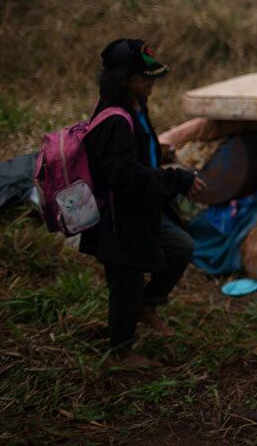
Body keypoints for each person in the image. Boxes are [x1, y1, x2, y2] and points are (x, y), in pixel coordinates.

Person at [80, 38, 206, 365]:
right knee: (126, 280)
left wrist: (161, 154)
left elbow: (136, 157)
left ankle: (145, 304)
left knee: (180, 247)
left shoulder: (135, 103)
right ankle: (120, 351)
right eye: (144, 76)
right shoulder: (113, 121)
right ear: (122, 78)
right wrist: (178, 180)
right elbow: (126, 179)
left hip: (142, 209)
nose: (152, 82)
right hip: (119, 217)